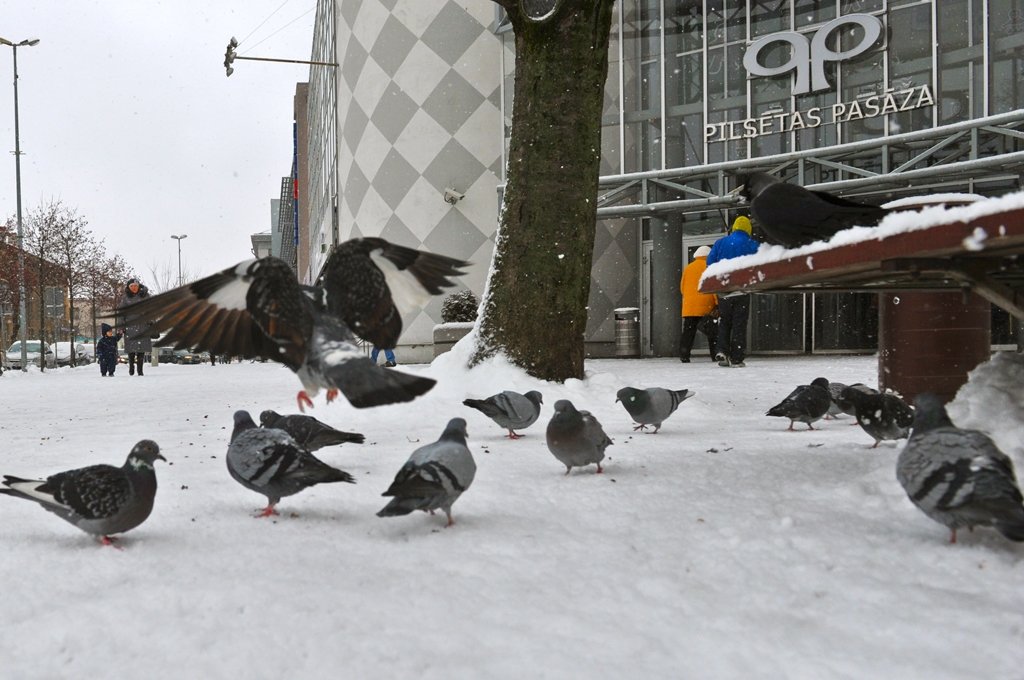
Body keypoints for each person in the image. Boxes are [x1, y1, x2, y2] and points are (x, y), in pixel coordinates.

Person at [706, 215, 759, 368]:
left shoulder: (721, 242)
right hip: (741, 291)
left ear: (734, 227)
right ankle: (736, 358)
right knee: (739, 324)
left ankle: (722, 350)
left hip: (724, 291)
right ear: (748, 229)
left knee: (724, 323)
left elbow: (710, 262)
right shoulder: (752, 244)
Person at [678, 245, 718, 362]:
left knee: (688, 333)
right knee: (712, 332)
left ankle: (684, 355)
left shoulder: (688, 268)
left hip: (689, 307)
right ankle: (714, 354)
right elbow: (714, 287)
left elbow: (682, 288)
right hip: (707, 305)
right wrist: (717, 303)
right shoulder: (710, 267)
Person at [121, 278, 153, 376]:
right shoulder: (125, 298)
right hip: (130, 326)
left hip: (143, 326)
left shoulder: (146, 296)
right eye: (132, 286)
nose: (134, 288)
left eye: (136, 286)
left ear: (139, 286)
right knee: (131, 350)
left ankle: (140, 370)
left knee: (141, 350)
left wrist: (151, 321)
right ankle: (131, 369)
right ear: (129, 287)